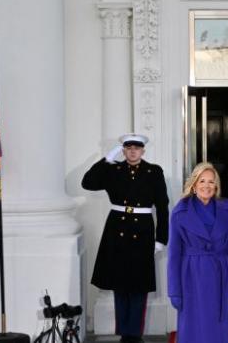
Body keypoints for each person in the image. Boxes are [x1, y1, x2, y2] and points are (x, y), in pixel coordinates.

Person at [81, 133, 169, 343]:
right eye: (128, 148)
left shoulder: (154, 171)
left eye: (136, 148)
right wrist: (106, 160)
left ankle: (134, 334)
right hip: (117, 230)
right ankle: (124, 333)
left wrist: (161, 238)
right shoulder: (114, 170)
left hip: (143, 231)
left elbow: (163, 207)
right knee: (119, 285)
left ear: (143, 151)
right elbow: (88, 182)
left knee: (138, 286)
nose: (132, 151)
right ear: (123, 151)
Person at [167, 162, 228, 343]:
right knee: (193, 330)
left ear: (216, 186)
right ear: (194, 185)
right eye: (202, 181)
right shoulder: (180, 212)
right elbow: (174, 255)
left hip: (220, 277)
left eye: (211, 182)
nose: (207, 186)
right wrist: (174, 290)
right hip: (191, 278)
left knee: (217, 330)